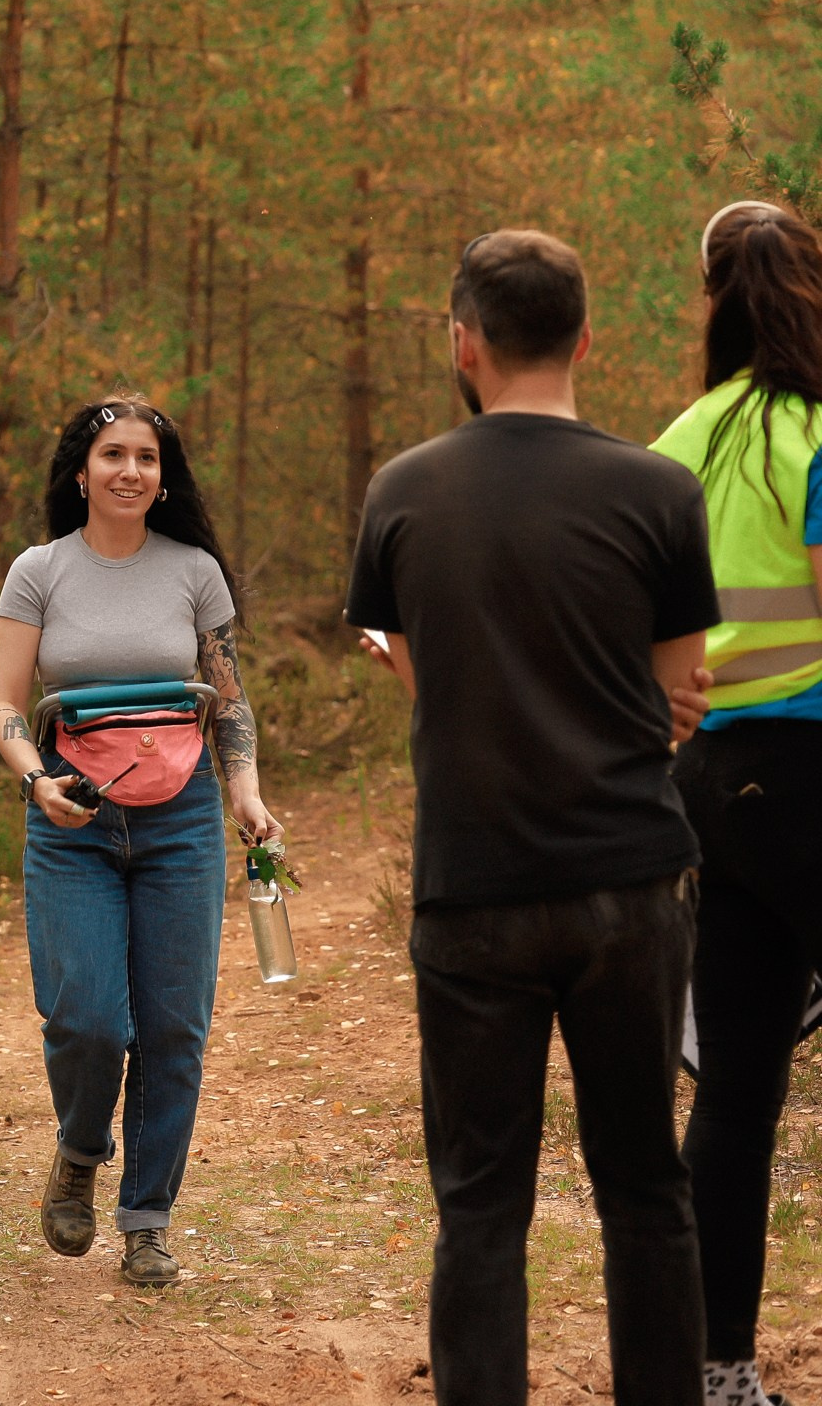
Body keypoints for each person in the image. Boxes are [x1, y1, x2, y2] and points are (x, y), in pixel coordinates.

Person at [346, 230, 717, 1406]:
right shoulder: (660, 489)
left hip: (475, 885)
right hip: (629, 881)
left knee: (482, 1202)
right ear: (588, 338)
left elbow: (426, 674)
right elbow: (678, 702)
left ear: (464, 343)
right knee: (645, 1190)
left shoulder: (405, 488)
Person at [0, 394, 282, 1288]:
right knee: (86, 1018)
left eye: (147, 458)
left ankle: (147, 1218)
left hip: (181, 816)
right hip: (71, 814)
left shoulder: (195, 571)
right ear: (81, 471)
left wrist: (245, 792)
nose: (130, 471)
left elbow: (227, 698)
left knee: (171, 1028)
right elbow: (4, 703)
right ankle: (81, 1146)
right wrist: (36, 778)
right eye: (113, 455)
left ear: (164, 477)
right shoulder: (38, 571)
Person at [653, 201, 822, 1406]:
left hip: (712, 789)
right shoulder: (819, 434)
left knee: (740, 1091)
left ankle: (720, 1374)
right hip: (820, 776)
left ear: (711, 300)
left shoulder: (674, 444)